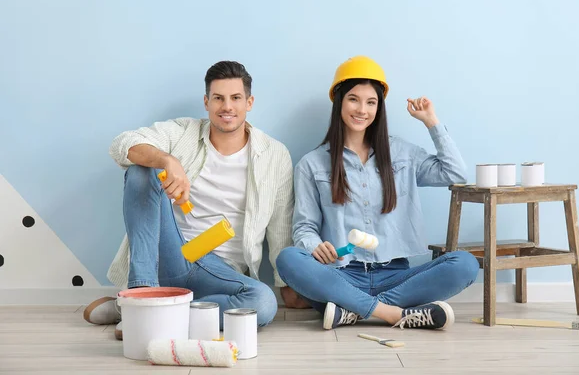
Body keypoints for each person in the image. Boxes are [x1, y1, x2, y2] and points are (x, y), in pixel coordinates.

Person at [84, 60, 309, 339]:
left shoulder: (275, 154)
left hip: (220, 274)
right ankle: (142, 291)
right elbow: (122, 143)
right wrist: (166, 159)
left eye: (236, 98)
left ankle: (146, 310)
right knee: (142, 169)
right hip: (171, 253)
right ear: (206, 102)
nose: (227, 106)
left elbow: (280, 224)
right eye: (218, 98)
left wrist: (284, 282)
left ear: (249, 102)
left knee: (263, 302)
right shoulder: (184, 133)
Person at [276, 56, 479, 331]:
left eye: (371, 102)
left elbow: (455, 174)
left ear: (379, 108)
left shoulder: (403, 154)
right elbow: (304, 228)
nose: (362, 110)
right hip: (340, 276)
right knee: (288, 258)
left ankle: (352, 310)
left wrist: (431, 122)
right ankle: (391, 313)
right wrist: (315, 246)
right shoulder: (311, 164)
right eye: (353, 99)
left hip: (396, 276)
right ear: (339, 101)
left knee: (465, 264)